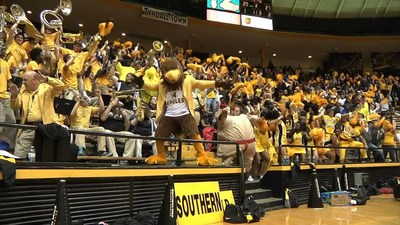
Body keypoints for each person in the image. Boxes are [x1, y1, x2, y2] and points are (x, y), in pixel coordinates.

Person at [133, 58, 229, 165]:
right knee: (159, 134)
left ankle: (202, 154)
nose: (172, 79)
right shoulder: (162, 84)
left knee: (194, 133)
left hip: (185, 113)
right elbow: (150, 86)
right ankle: (161, 155)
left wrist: (217, 83)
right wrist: (140, 82)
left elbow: (201, 83)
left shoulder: (187, 80)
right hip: (169, 115)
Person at [9, 71, 65, 158]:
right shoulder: (23, 90)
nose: (23, 82)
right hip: (28, 128)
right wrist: (14, 96)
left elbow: (61, 85)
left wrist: (46, 79)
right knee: (18, 155)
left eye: (25, 80)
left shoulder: (47, 88)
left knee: (44, 156)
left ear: (35, 80)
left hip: (45, 127)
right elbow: (15, 106)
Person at [70, 90, 109, 156]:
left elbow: (101, 109)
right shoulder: (74, 107)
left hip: (86, 130)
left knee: (101, 129)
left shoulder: (89, 108)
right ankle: (80, 149)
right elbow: (71, 114)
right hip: (75, 129)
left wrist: (99, 96)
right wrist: (77, 102)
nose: (84, 99)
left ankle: (101, 150)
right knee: (80, 128)